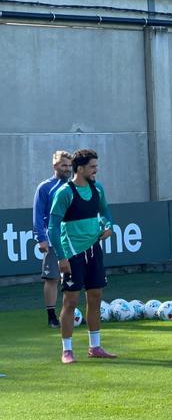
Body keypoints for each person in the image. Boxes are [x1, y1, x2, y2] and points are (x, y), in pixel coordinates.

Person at [47, 149, 116, 363]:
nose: (96, 170)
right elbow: (52, 228)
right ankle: (67, 350)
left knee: (95, 297)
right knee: (70, 301)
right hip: (72, 253)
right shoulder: (65, 193)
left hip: (94, 250)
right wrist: (61, 257)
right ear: (80, 168)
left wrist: (108, 226)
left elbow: (105, 213)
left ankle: (95, 347)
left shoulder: (98, 189)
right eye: (93, 166)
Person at [33, 151, 72, 329]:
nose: (67, 169)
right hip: (53, 239)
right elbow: (38, 215)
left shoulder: (74, 186)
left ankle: (70, 312)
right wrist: (41, 238)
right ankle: (51, 316)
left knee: (74, 276)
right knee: (52, 278)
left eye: (69, 166)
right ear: (55, 166)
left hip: (74, 240)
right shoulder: (45, 187)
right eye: (64, 165)